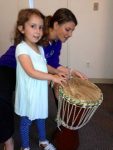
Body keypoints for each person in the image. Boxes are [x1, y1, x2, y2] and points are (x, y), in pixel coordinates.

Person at [14, 8, 66, 150]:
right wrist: (52, 77)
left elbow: (44, 65)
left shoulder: (40, 48)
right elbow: (31, 71)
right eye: (33, 26)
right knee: (26, 121)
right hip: (28, 93)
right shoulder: (21, 48)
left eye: (41, 27)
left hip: (40, 91)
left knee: (41, 116)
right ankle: (25, 147)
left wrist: (56, 72)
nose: (38, 31)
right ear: (21, 28)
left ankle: (43, 141)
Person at [0, 46, 16, 149]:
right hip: (7, 67)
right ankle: (8, 140)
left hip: (26, 71)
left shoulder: (56, 43)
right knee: (1, 99)